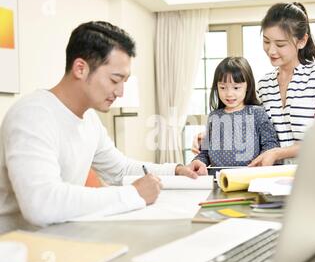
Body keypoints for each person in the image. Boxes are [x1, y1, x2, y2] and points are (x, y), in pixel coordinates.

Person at [0, 21, 207, 227]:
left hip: (59, 239)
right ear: (80, 68)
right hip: (18, 251)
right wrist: (133, 194)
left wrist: (176, 170)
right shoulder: (33, 116)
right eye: (115, 80)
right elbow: (41, 204)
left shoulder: (89, 119)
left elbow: (120, 170)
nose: (120, 92)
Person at [192, 2, 315, 166]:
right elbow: (242, 120)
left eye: (280, 44)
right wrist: (209, 136)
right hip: (271, 180)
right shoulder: (264, 85)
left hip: (314, 174)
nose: (271, 50)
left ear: (302, 41)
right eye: (266, 41)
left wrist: (277, 153)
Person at [191, 57, 279, 168]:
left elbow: (270, 144)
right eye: (223, 87)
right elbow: (205, 153)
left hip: (251, 175)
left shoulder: (257, 113)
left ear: (247, 86)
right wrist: (198, 161)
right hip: (219, 177)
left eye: (236, 88)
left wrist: (260, 164)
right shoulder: (214, 116)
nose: (229, 94)